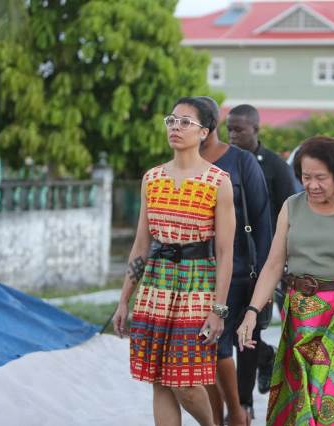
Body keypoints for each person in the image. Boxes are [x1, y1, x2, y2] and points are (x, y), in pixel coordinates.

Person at [236, 136, 334, 425]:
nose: (312, 185)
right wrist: (251, 312)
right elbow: (272, 265)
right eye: (306, 177)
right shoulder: (291, 207)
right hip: (298, 314)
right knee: (300, 400)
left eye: (321, 177)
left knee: (330, 398)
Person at [112, 96, 236, 426]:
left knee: (186, 384)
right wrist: (124, 300)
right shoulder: (152, 178)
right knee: (159, 380)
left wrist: (219, 309)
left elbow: (225, 253)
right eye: (172, 120)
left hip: (197, 285)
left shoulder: (218, 182)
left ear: (205, 132)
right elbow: (141, 244)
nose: (175, 127)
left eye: (186, 122)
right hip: (155, 283)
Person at [199, 96, 273, 426]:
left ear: (207, 125)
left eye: (188, 120)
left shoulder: (242, 162)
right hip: (193, 273)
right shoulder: (180, 164)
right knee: (206, 351)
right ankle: (223, 415)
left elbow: (261, 220)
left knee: (225, 348)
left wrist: (265, 278)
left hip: (240, 271)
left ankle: (238, 411)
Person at [226, 104, 296, 399]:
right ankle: (266, 356)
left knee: (251, 330)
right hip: (232, 257)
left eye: (238, 130)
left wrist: (281, 264)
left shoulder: (274, 166)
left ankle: (245, 405)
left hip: (266, 259)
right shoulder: (224, 162)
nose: (231, 135)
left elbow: (291, 211)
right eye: (228, 129)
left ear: (256, 130)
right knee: (230, 328)